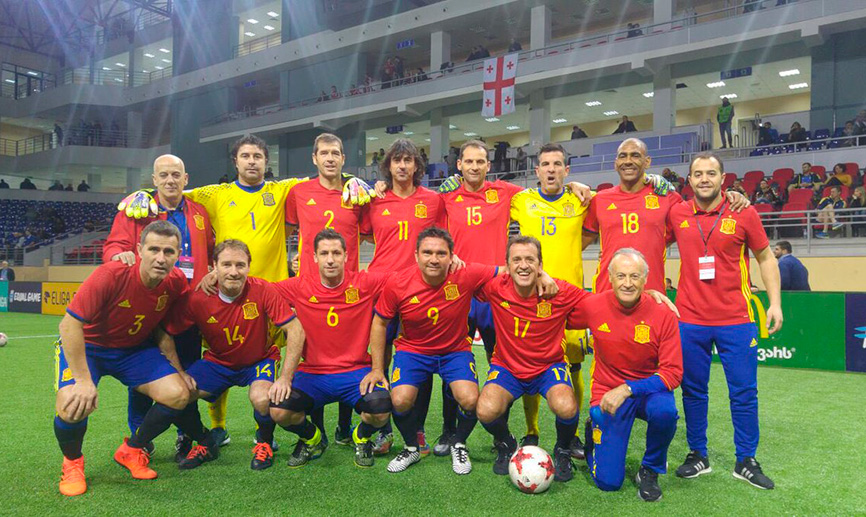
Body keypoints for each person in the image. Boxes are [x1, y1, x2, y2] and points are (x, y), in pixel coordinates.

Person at [52, 221, 199, 496]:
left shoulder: (176, 282)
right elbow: (69, 325)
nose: (161, 258)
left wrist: (179, 370)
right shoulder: (111, 274)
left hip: (133, 351)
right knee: (72, 405)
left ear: (178, 255)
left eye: (168, 251)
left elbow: (168, 326)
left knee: (179, 394)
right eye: (153, 249)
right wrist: (83, 381)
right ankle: (72, 463)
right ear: (139, 250)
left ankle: (132, 449)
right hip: (90, 348)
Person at [668, 151, 782, 490]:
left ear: (723, 178)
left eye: (711, 173)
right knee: (693, 391)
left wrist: (775, 303)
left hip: (737, 319)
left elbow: (765, 257)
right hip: (690, 319)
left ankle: (745, 459)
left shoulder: (743, 211)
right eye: (698, 174)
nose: (704, 179)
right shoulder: (677, 212)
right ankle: (698, 454)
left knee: (744, 392)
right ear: (689, 180)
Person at [103, 154, 215, 458]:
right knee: (142, 375)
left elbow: (209, 251)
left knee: (188, 372)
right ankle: (140, 437)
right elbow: (114, 245)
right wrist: (118, 256)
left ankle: (186, 435)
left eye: (176, 175)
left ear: (186, 179)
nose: (170, 180)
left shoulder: (199, 212)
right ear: (154, 180)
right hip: (147, 306)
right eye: (163, 175)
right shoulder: (138, 208)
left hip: (187, 307)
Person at [370, 227, 499, 475]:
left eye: (441, 253)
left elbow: (507, 271)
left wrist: (543, 275)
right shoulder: (398, 282)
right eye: (427, 252)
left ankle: (458, 443)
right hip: (413, 351)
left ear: (452, 256)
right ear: (416, 255)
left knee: (471, 399)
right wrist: (377, 369)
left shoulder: (465, 273)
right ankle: (411, 447)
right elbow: (379, 323)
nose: (434, 259)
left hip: (454, 352)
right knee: (400, 400)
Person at [165, 240, 302, 471]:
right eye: (226, 264)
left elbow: (295, 329)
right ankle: (205, 441)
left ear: (249, 266)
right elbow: (165, 331)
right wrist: (179, 372)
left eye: (240, 265)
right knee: (175, 395)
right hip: (218, 362)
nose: (233, 271)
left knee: (262, 398)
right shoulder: (199, 297)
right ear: (214, 266)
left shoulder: (263, 289)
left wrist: (285, 377)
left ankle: (264, 442)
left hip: (259, 360)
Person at [271, 229, 393, 468]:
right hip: (313, 374)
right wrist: (218, 275)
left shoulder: (365, 283)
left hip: (356, 372)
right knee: (279, 411)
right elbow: (258, 289)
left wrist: (452, 261)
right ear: (314, 257)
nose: (330, 259)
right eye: (324, 253)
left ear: (346, 256)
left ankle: (361, 436)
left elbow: (407, 276)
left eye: (336, 253)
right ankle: (312, 439)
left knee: (381, 410)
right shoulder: (299, 286)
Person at [284, 132, 372, 448]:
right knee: (314, 358)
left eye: (335, 153)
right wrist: (294, 257)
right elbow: (287, 230)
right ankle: (317, 429)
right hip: (309, 290)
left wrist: (376, 190)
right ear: (315, 158)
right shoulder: (299, 192)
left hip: (349, 291)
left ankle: (344, 428)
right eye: (324, 153)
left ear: (343, 158)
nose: (330, 158)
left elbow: (371, 233)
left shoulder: (356, 193)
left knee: (350, 356)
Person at [476, 236, 589, 482]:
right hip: (507, 367)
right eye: (516, 259)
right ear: (507, 265)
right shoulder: (495, 287)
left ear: (540, 265)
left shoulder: (559, 290)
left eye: (530, 259)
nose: (523, 265)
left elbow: (600, 304)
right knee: (485, 410)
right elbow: (465, 281)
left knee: (566, 406)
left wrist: (649, 295)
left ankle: (562, 450)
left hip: (548, 367)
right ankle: (507, 444)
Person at [573, 249, 682, 502]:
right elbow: (559, 310)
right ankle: (593, 431)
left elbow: (673, 373)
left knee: (666, 412)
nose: (628, 283)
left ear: (645, 280)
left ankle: (650, 469)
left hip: (647, 390)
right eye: (621, 276)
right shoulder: (593, 305)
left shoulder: (662, 313)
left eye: (635, 276)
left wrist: (628, 389)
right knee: (608, 483)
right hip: (607, 390)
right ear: (610, 278)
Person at [363, 138, 447, 454]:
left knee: (420, 360)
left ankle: (418, 429)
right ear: (388, 165)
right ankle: (383, 430)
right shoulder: (374, 200)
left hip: (420, 292)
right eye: (396, 160)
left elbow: (443, 240)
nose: (402, 165)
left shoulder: (433, 201)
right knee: (379, 360)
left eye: (408, 160)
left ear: (416, 166)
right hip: (381, 290)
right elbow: (364, 234)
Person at [509, 143, 592, 458]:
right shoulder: (522, 200)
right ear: (537, 170)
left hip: (570, 299)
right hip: (531, 297)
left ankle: (571, 435)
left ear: (567, 170)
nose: (551, 169)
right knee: (530, 367)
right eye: (545, 164)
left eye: (557, 164)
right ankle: (531, 432)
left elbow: (617, 199)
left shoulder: (581, 199)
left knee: (574, 366)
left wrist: (656, 180)